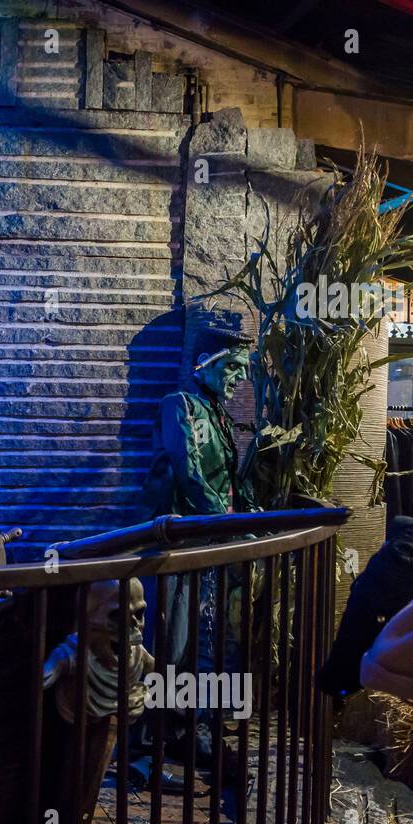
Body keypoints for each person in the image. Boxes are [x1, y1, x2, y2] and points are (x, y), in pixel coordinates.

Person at [136, 315, 254, 774]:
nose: (238, 380)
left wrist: (250, 519)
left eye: (242, 372)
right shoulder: (179, 405)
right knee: (167, 641)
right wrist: (223, 521)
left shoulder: (221, 417)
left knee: (197, 645)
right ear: (205, 364)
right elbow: (190, 472)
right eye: (231, 370)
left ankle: (183, 731)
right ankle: (144, 743)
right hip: (173, 543)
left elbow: (227, 480)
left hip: (204, 543)